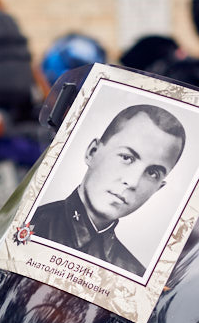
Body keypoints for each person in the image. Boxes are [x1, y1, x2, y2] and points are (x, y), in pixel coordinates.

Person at [31, 103, 186, 276]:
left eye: (152, 173)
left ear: (158, 188)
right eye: (127, 157)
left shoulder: (134, 274)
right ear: (92, 152)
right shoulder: (29, 225)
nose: (132, 182)